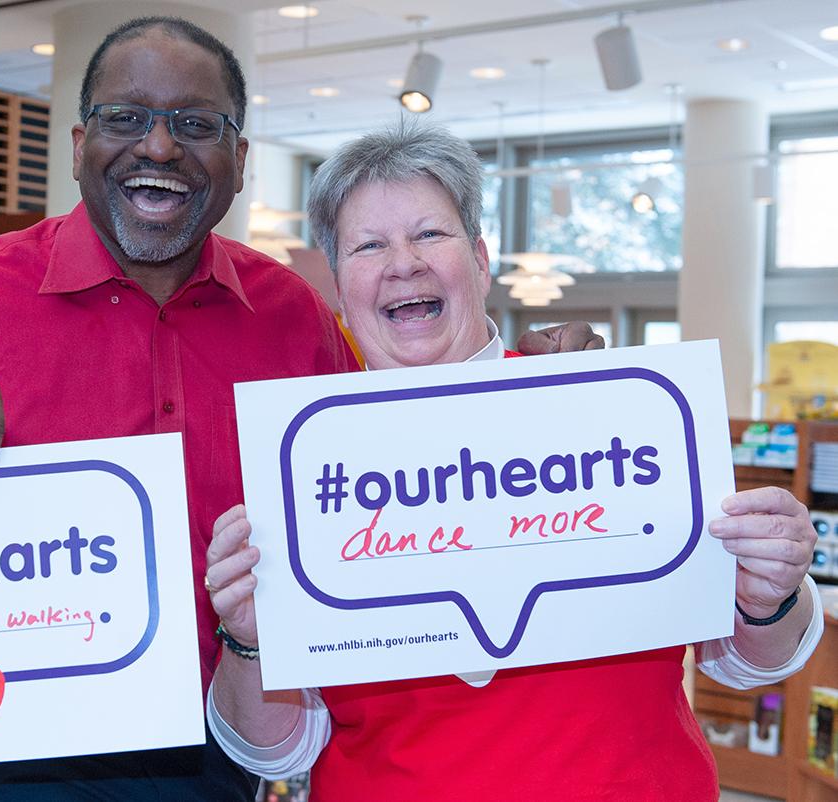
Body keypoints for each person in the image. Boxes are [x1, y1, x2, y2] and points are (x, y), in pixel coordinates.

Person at [0, 18, 600, 801]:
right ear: (78, 145)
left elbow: (399, 466)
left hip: (221, 747)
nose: (159, 147)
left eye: (197, 125)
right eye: (126, 117)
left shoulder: (294, 318)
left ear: (240, 161)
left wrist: (541, 394)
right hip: (7, 750)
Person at [203, 124, 823, 801]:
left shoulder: (612, 411)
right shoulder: (306, 468)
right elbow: (278, 748)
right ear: (338, 284)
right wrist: (250, 640)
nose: (403, 263)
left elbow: (742, 663)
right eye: (369, 245)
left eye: (429, 234)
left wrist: (770, 593)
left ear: (479, 261)